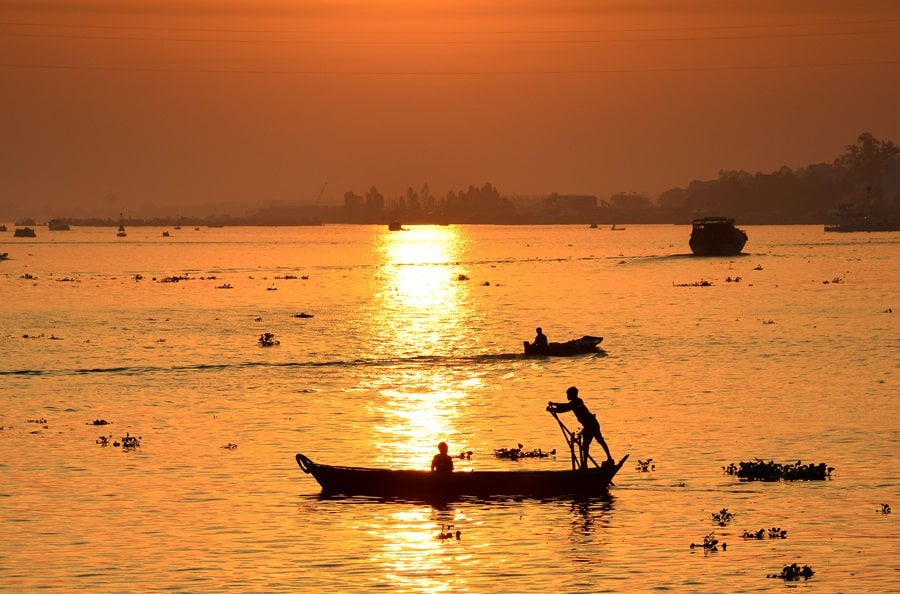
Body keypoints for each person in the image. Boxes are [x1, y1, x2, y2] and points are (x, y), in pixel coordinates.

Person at [547, 386, 613, 468]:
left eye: (568, 394)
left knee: (599, 441)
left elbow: (565, 408)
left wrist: (553, 409)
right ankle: (584, 464)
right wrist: (554, 405)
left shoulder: (577, 402)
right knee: (585, 445)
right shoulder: (574, 402)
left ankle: (609, 459)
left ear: (573, 395)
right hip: (588, 425)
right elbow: (566, 406)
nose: (567, 396)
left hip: (592, 424)